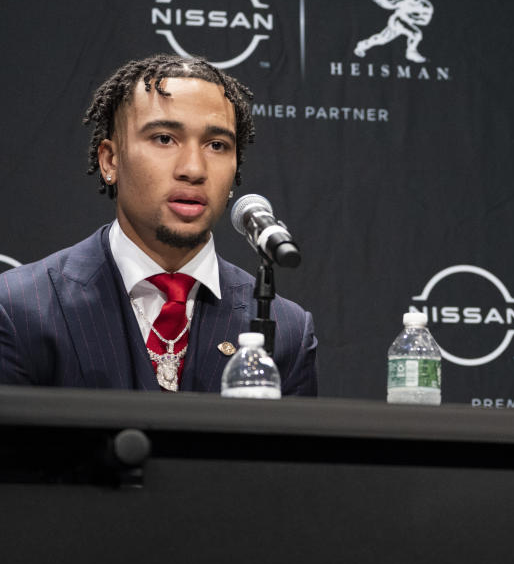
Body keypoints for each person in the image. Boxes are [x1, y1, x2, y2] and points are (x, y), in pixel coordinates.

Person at [0, 54, 318, 394]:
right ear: (110, 160)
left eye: (216, 145)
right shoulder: (19, 309)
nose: (194, 169)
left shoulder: (286, 332)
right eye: (165, 138)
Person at [354, 0, 434, 63]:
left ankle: (362, 45)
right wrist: (383, 2)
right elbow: (391, 5)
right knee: (416, 34)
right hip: (397, 21)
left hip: (407, 23)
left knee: (382, 39)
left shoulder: (427, 7)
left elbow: (425, 21)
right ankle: (411, 52)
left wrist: (412, 18)